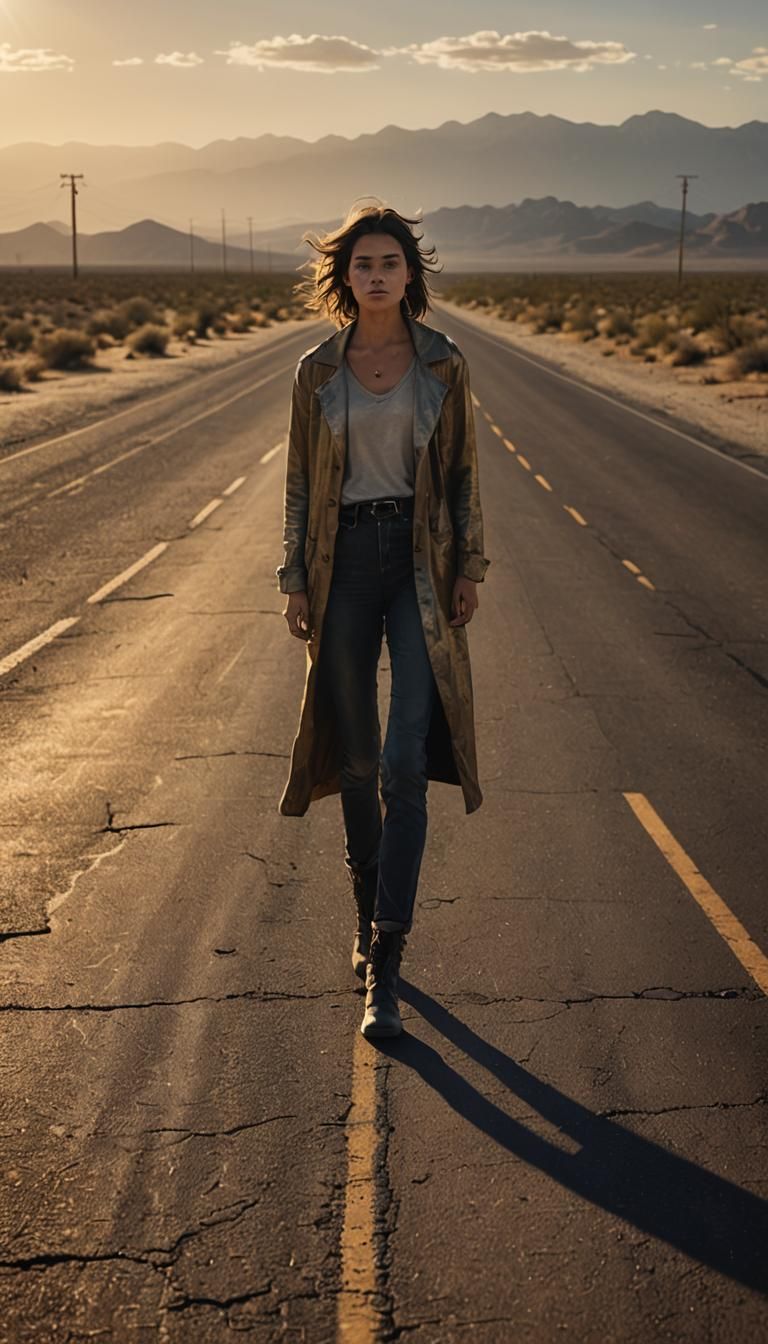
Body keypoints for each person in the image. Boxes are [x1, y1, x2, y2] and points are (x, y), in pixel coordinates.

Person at [276, 200, 489, 1039]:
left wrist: (469, 565)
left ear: (410, 274)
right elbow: (298, 483)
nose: (376, 275)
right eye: (362, 264)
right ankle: (366, 920)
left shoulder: (443, 364)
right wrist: (294, 578)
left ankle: (387, 961)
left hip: (418, 564)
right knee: (358, 758)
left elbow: (466, 471)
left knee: (404, 758)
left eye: (389, 263)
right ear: (345, 276)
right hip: (341, 569)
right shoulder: (315, 372)